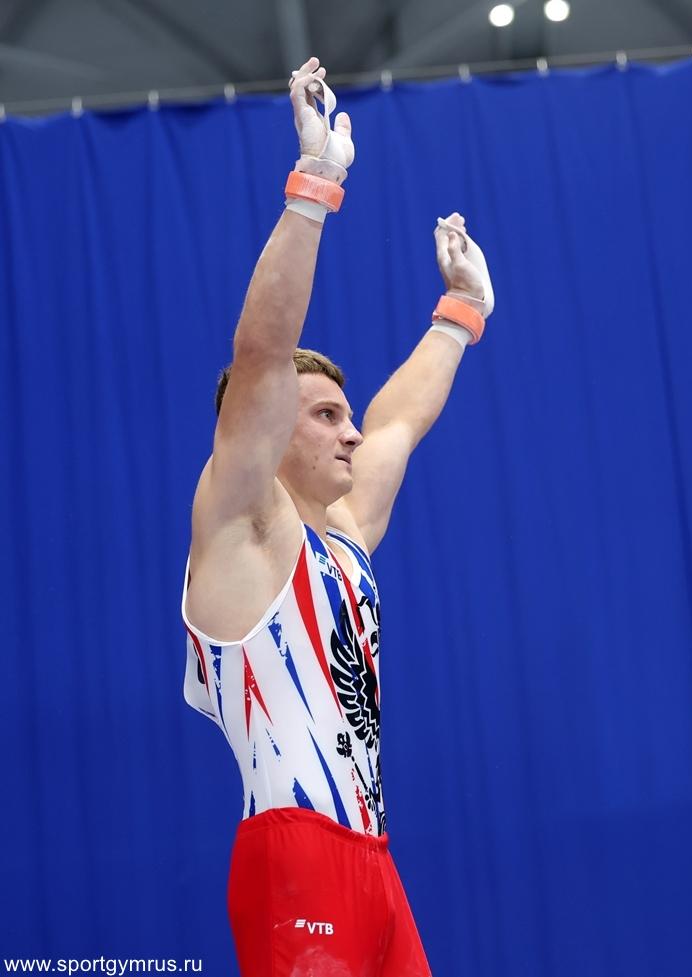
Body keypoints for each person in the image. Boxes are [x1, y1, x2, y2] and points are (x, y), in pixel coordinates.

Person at [181, 57, 494, 977]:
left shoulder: (345, 536)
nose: (351, 433)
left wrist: (461, 314)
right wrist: (314, 184)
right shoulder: (243, 523)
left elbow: (399, 421)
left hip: (375, 863)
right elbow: (261, 353)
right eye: (326, 415)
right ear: (268, 428)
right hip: (296, 851)